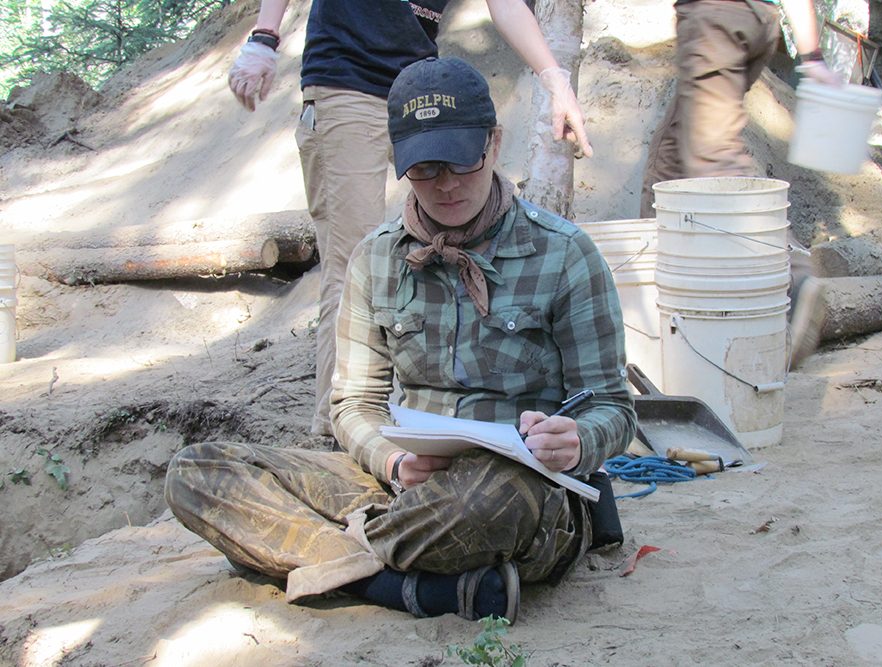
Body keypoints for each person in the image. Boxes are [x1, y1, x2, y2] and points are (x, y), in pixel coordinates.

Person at [166, 56, 636, 623]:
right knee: (197, 473)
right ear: (398, 161)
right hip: (403, 486)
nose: (446, 185)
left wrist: (576, 441)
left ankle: (344, 562)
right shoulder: (376, 260)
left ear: (494, 143)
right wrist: (391, 464)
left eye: (462, 162)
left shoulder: (564, 254)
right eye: (424, 167)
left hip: (517, 487)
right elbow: (353, 404)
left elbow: (612, 407)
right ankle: (416, 586)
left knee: (490, 502)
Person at [228, 0, 593, 438]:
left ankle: (447, 421)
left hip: (420, 90)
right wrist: (265, 37)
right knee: (352, 267)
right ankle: (339, 433)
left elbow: (507, 4)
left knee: (456, 240)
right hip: (345, 82)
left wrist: (554, 80)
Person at [639, 0, 840, 367]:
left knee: (715, 165)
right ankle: (656, 325)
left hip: (715, 17)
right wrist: (811, 56)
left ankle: (788, 275)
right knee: (668, 170)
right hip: (757, 18)